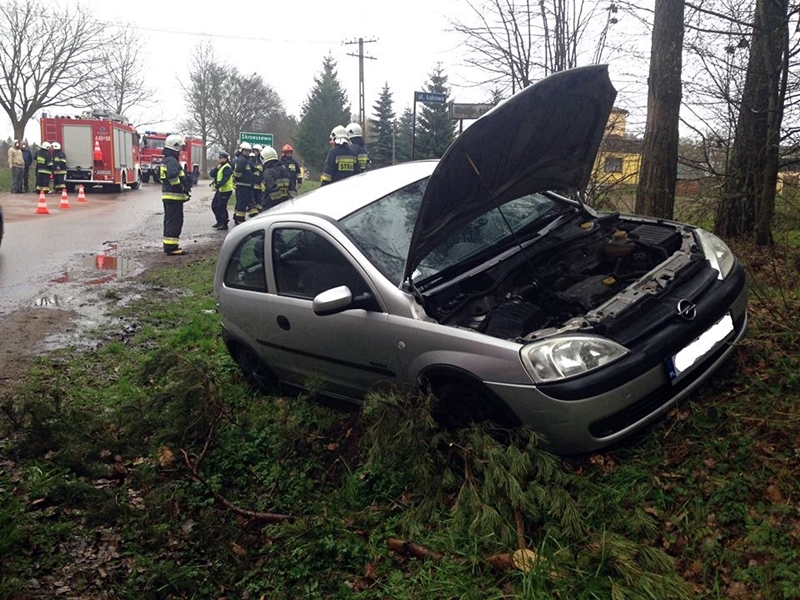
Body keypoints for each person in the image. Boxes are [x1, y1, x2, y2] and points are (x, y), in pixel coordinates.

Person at [159, 134, 192, 255]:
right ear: (176, 146)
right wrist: (181, 188)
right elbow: (173, 176)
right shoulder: (172, 161)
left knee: (169, 220)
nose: (181, 150)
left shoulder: (166, 160)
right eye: (181, 148)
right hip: (174, 197)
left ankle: (169, 245)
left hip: (168, 196)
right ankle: (171, 247)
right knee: (175, 221)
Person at [209, 151, 234, 230]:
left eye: (221, 158)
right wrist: (217, 168)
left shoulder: (227, 167)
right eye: (219, 158)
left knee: (222, 207)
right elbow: (212, 174)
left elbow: (225, 179)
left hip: (226, 190)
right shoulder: (221, 167)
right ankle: (219, 221)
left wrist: (217, 186)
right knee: (214, 206)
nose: (219, 159)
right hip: (220, 190)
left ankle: (224, 224)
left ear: (225, 159)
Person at [232, 141, 255, 225]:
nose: (247, 152)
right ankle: (240, 219)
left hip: (243, 185)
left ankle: (236, 216)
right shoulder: (242, 160)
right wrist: (240, 178)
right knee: (242, 203)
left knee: (240, 202)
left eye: (248, 151)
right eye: (245, 151)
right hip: (243, 185)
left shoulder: (243, 159)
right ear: (241, 151)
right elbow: (238, 172)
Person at [249, 144, 265, 219]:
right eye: (254, 151)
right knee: (252, 197)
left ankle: (259, 210)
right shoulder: (251, 160)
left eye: (256, 151)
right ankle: (253, 211)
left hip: (260, 183)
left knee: (259, 197)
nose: (255, 153)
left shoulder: (262, 161)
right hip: (252, 183)